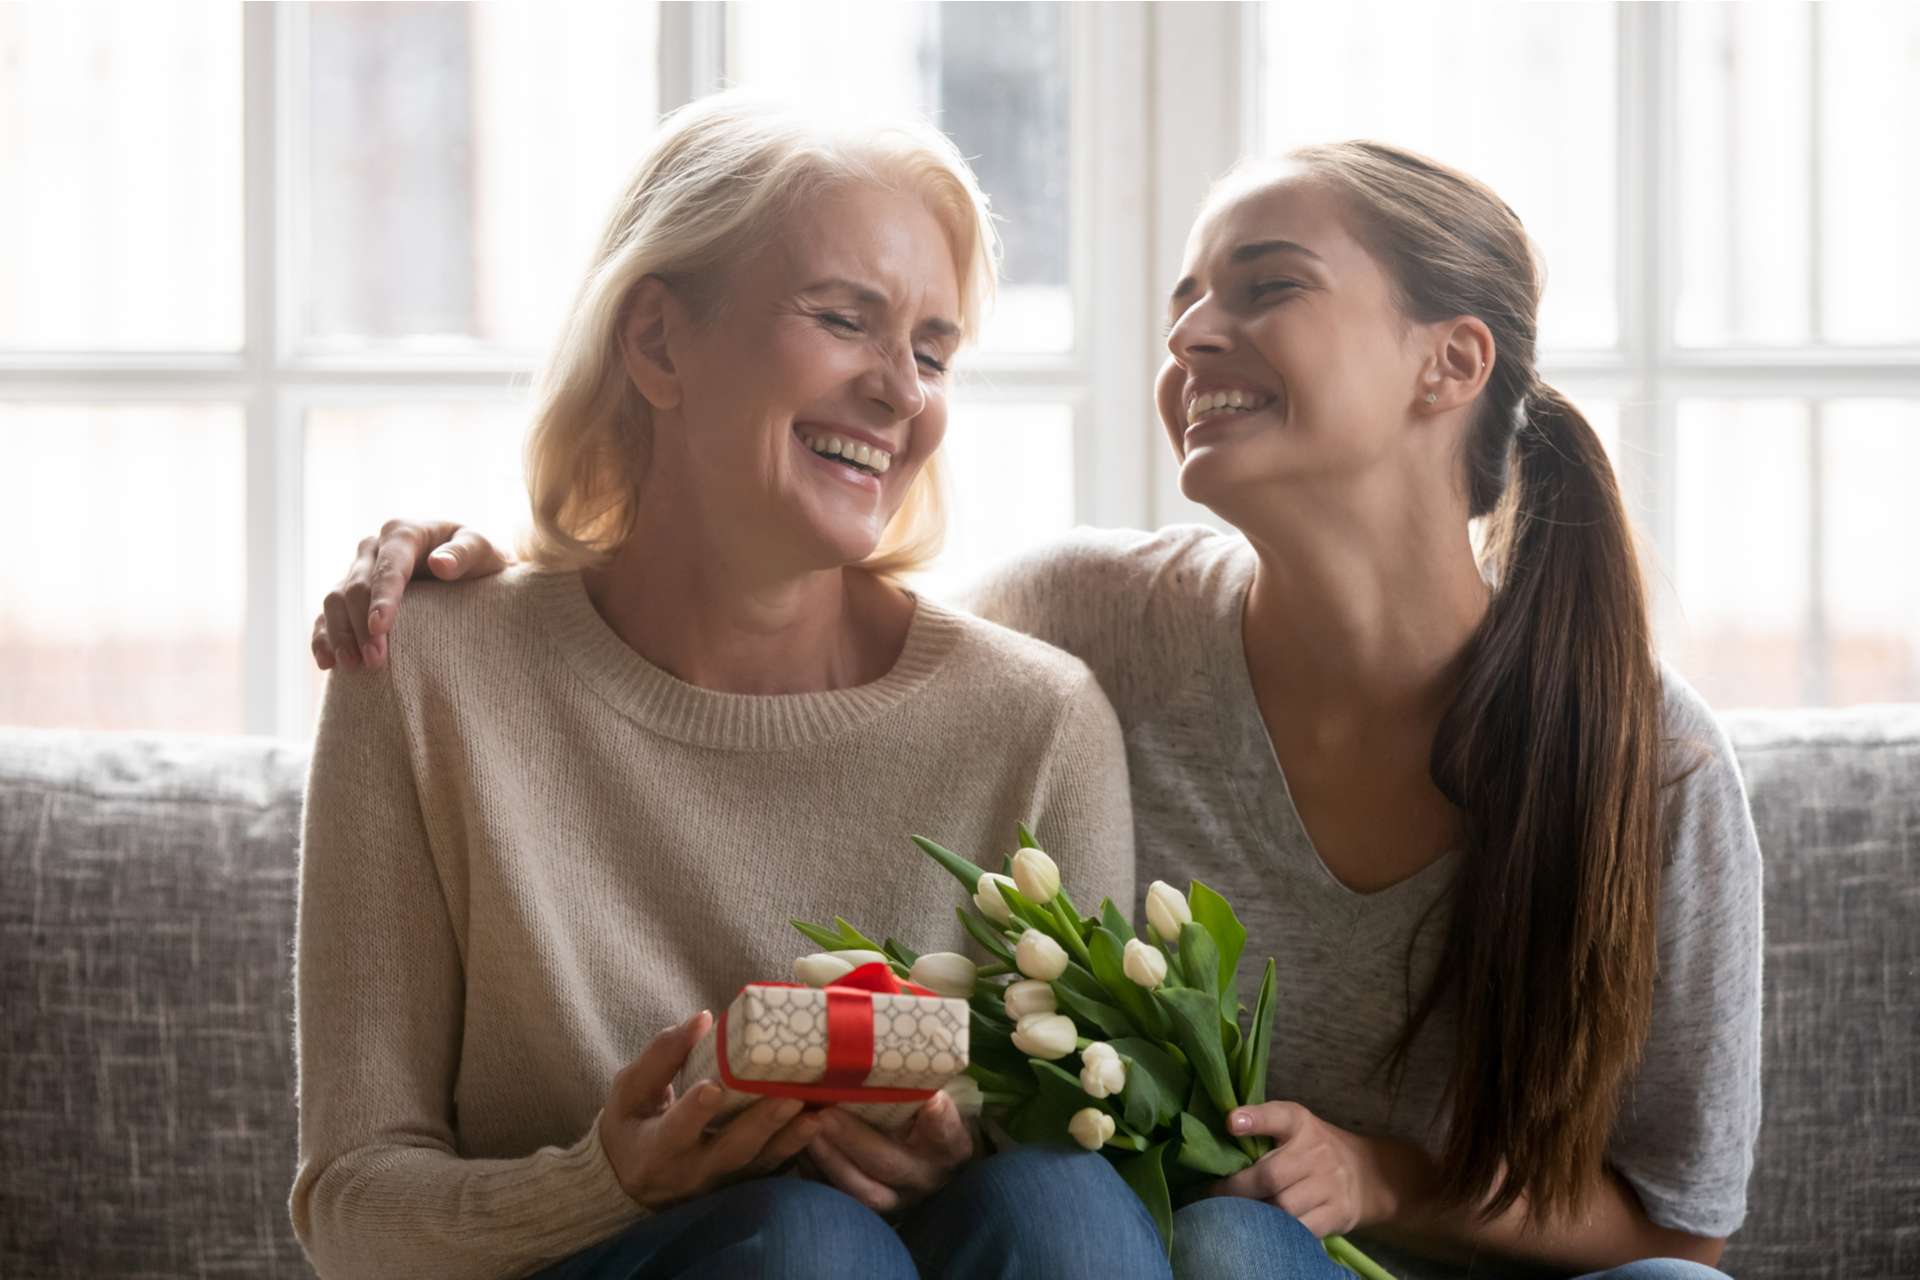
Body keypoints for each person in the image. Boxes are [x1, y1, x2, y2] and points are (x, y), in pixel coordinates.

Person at [316, 141, 1761, 1280]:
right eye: (1187, 296)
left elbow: (1682, 1220)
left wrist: (1390, 1178)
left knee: (1128, 1217)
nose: (1192, 332)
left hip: (1439, 1256)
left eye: (1261, 286)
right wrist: (495, 582)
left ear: (1449, 365)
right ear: (657, 344)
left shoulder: (1647, 761)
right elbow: (747, 602)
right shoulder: (1083, 633)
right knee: (1157, 1232)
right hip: (1121, 1248)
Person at [292, 92, 1153, 1280]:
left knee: (1063, 1200)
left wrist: (961, 1149)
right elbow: (351, 1208)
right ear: (656, 343)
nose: (902, 392)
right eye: (845, 319)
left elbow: (1082, 1159)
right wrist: (610, 1181)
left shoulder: (1036, 722)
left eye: (932, 350)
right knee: (806, 1242)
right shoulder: (430, 669)